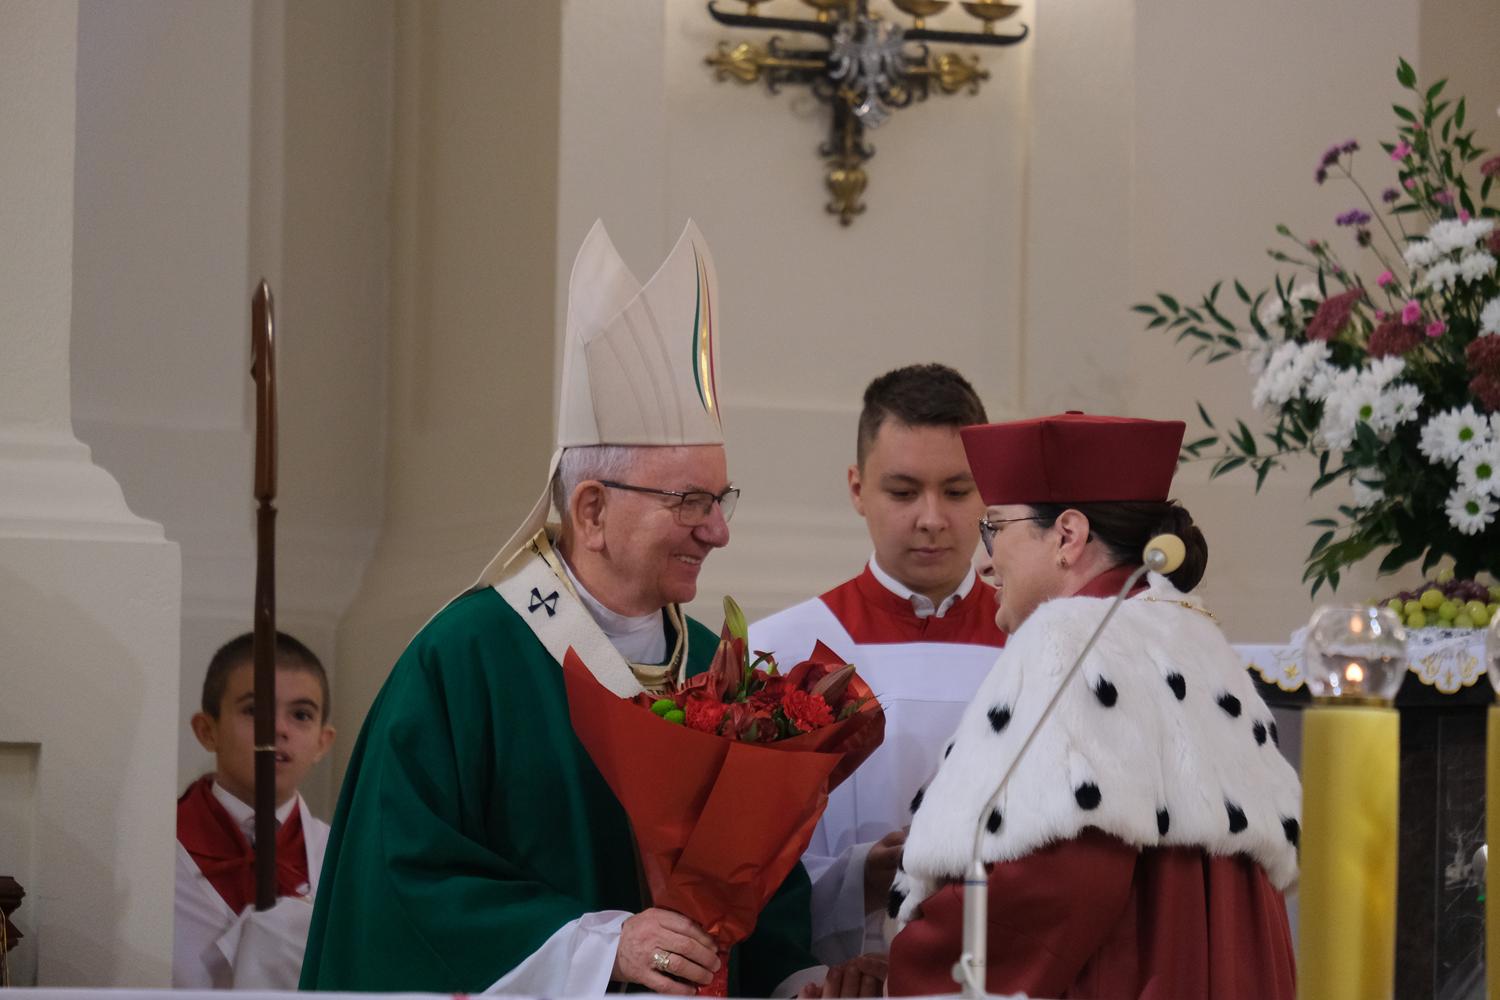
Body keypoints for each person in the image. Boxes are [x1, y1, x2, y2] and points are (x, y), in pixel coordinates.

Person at [301, 221, 826, 996]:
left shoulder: (717, 667)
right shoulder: (469, 658)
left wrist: (795, 978)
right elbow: (400, 881)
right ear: (591, 510)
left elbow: (765, 884)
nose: (718, 530)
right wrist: (597, 947)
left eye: (722, 500)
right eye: (689, 502)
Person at [886, 412, 1301, 999]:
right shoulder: (1194, 640)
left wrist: (913, 962)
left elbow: (1057, 883)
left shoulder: (1071, 645)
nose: (983, 562)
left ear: (1068, 536)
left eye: (994, 529)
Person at [750, 363, 1005, 965]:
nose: (931, 518)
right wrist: (858, 879)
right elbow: (747, 867)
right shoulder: (783, 651)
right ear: (857, 488)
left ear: (988, 491)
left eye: (957, 491)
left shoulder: (1037, 646)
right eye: (903, 491)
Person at [174, 631, 336, 989]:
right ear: (207, 730)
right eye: (254, 710)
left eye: (301, 715)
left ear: (322, 743)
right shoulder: (158, 853)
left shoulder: (342, 859)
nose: (278, 728)